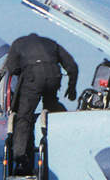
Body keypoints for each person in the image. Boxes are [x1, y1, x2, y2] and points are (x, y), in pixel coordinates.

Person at [4, 33, 79, 172]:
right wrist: (71, 88)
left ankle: (20, 161)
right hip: (54, 77)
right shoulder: (51, 42)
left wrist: (26, 68)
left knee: (24, 117)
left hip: (33, 79)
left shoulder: (18, 43)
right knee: (52, 109)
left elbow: (12, 68)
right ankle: (62, 151)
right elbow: (72, 65)